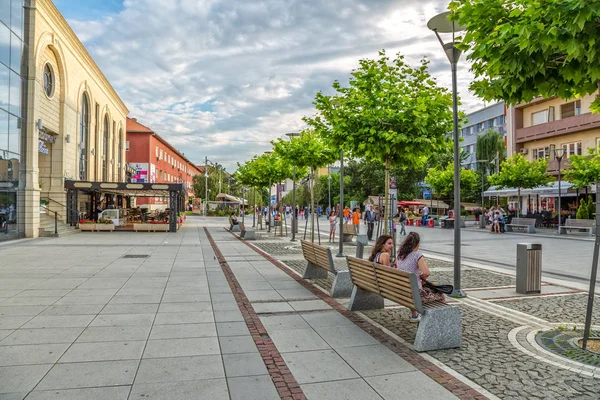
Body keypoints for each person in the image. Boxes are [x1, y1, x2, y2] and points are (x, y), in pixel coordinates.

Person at [395, 232, 445, 322]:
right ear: (417, 244)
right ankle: (436, 321)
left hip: (402, 291)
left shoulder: (400, 255)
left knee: (413, 287)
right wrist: (421, 277)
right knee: (440, 295)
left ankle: (415, 316)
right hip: (415, 294)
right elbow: (426, 273)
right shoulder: (417, 256)